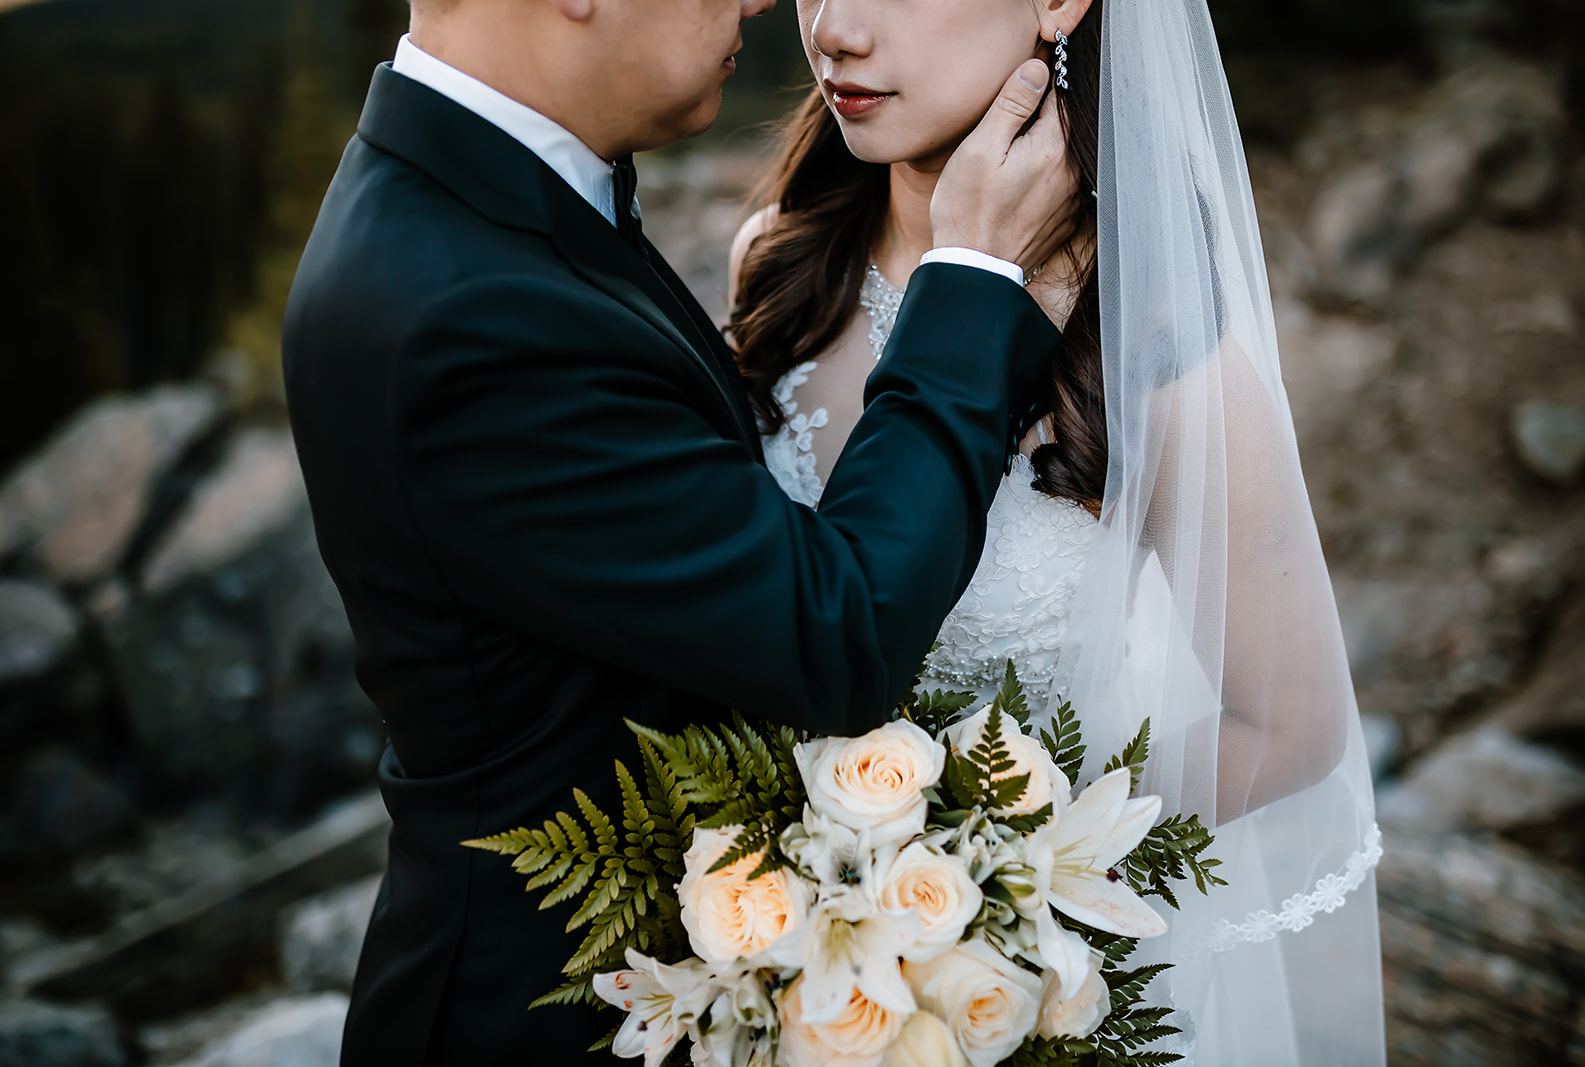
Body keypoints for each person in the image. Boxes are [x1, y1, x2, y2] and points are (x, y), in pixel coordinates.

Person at [280, 0, 1082, 1060]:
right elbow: (834, 632)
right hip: (545, 1014)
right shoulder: (465, 309)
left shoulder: (489, 197)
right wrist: (974, 279)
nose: (766, 2)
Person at [727, 0, 1386, 1062]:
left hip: (1008, 997)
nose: (835, 30)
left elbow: (1290, 722)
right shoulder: (780, 259)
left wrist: (976, 886)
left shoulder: (1148, 337)